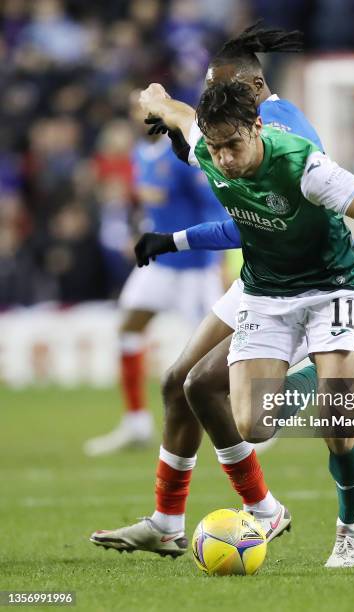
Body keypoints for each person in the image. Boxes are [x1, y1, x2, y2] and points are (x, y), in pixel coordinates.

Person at [133, 76, 354, 569]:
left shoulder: (307, 167)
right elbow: (176, 113)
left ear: (257, 128)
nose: (226, 160)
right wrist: (151, 99)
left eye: (234, 146)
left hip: (331, 288)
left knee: (339, 426)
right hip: (267, 294)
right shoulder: (211, 148)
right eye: (216, 149)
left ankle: (352, 530)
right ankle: (318, 374)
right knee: (252, 426)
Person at [84, 92, 227, 457]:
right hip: (159, 265)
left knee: (217, 349)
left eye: (144, 104)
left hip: (193, 268)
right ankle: (135, 423)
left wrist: (219, 261)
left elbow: (213, 205)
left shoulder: (180, 155)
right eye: (134, 106)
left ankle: (250, 417)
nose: (139, 112)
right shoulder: (139, 155)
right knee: (129, 327)